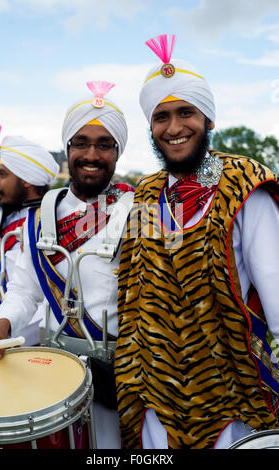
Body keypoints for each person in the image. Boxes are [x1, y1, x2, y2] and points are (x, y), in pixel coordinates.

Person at [114, 34, 279, 449]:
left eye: (185, 112)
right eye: (161, 117)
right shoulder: (148, 192)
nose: (173, 128)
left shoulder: (244, 186)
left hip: (231, 401)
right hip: (156, 402)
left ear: (208, 119)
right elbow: (135, 294)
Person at [0, 81, 134, 449]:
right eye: (81, 142)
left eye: (104, 144)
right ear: (68, 149)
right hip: (55, 373)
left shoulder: (139, 212)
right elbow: (24, 291)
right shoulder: (41, 215)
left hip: (122, 381)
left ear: (118, 152)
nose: (91, 154)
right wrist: (3, 321)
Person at [0, 136, 59, 346]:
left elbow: (35, 299)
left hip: (16, 341)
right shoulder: (4, 217)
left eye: (2, 175)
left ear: (27, 179)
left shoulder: (45, 226)